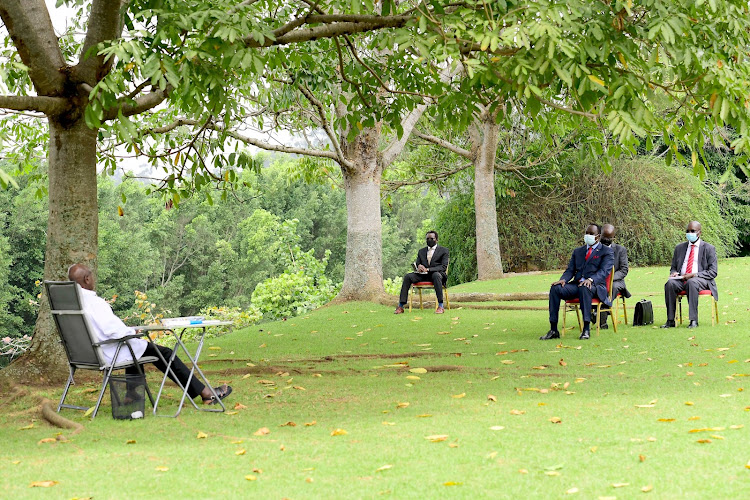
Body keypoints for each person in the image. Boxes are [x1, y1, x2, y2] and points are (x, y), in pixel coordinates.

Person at [67, 264, 232, 404]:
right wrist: (133, 331)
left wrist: (128, 331)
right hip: (108, 353)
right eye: (91, 276)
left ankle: (132, 396)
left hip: (88, 354)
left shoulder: (71, 302)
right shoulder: (95, 302)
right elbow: (112, 330)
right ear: (87, 279)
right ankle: (205, 393)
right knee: (164, 353)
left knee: (135, 349)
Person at [540, 224, 614, 341]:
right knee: (555, 288)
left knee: (584, 287)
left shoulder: (606, 252)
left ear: (598, 236)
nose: (587, 236)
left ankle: (586, 329)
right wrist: (563, 280)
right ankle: (553, 329)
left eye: (591, 234)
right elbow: (570, 270)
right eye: (586, 233)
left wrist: (591, 279)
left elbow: (604, 272)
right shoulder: (578, 251)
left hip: (595, 286)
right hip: (577, 284)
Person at [661, 221, 718, 329]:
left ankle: (693, 320)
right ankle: (670, 320)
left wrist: (693, 275)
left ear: (699, 233)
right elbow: (673, 266)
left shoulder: (709, 248)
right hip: (681, 279)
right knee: (670, 284)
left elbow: (713, 272)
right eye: (688, 231)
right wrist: (673, 273)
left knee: (692, 282)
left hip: (700, 279)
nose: (689, 233)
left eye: (693, 231)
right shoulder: (679, 248)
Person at [394, 231, 449, 314]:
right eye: (427, 239)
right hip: (423, 275)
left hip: (437, 275)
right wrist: (419, 267)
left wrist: (428, 269)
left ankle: (440, 306)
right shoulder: (421, 251)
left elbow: (443, 267)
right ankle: (401, 306)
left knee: (436, 275)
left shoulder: (444, 250)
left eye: (432, 238)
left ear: (436, 239)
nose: (429, 240)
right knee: (408, 276)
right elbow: (418, 263)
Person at [598, 224, 631, 329]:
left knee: (612, 287)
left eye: (609, 237)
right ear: (599, 235)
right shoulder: (595, 249)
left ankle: (602, 315)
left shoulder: (620, 250)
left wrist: (610, 278)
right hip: (598, 279)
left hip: (616, 281)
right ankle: (596, 313)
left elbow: (623, 270)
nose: (606, 239)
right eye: (604, 237)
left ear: (613, 238)